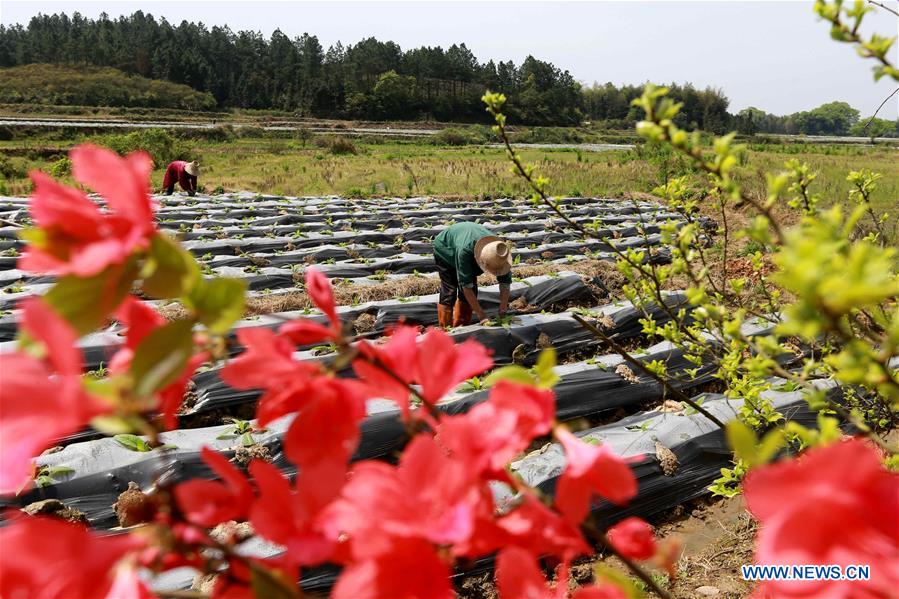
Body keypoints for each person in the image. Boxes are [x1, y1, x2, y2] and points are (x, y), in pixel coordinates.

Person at [433, 222, 513, 328]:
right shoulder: (465, 251)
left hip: (465, 242)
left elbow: (505, 283)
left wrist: (503, 308)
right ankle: (445, 331)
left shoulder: (499, 252)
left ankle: (461, 327)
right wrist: (482, 316)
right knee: (450, 291)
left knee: (472, 291)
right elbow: (466, 286)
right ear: (481, 261)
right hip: (445, 249)